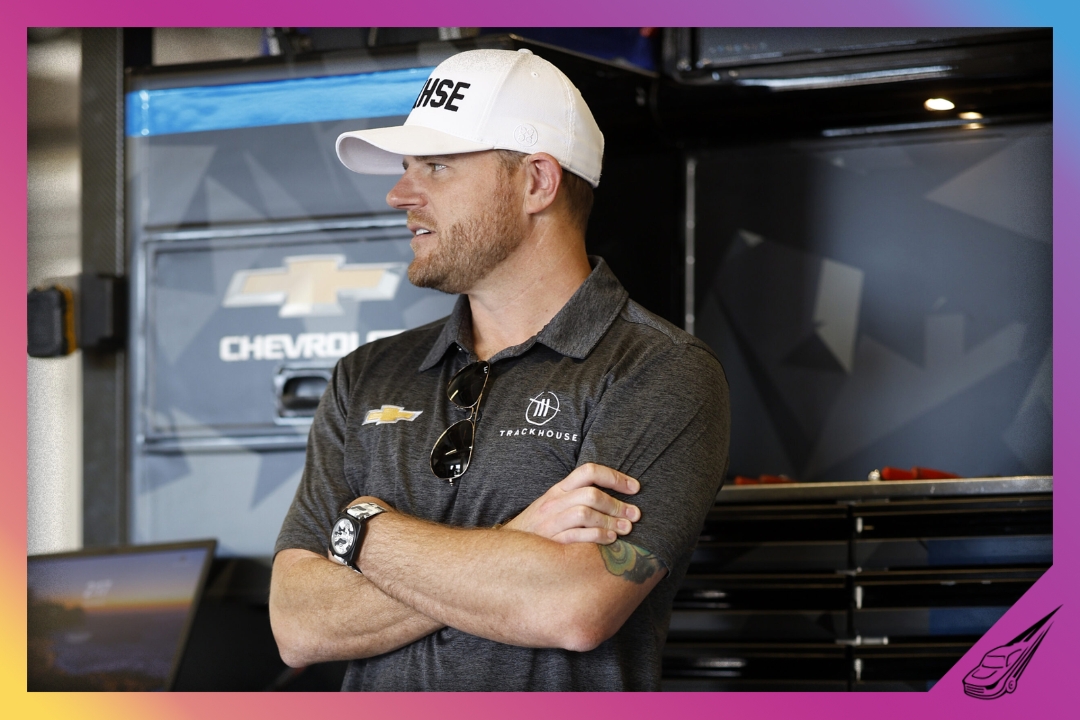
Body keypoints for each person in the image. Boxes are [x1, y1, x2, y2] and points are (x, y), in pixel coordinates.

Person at [269, 47, 730, 691]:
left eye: (437, 167)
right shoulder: (366, 376)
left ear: (537, 181)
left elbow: (570, 607)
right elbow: (299, 624)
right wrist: (514, 540)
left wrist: (361, 528)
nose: (401, 194)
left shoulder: (659, 372)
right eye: (406, 168)